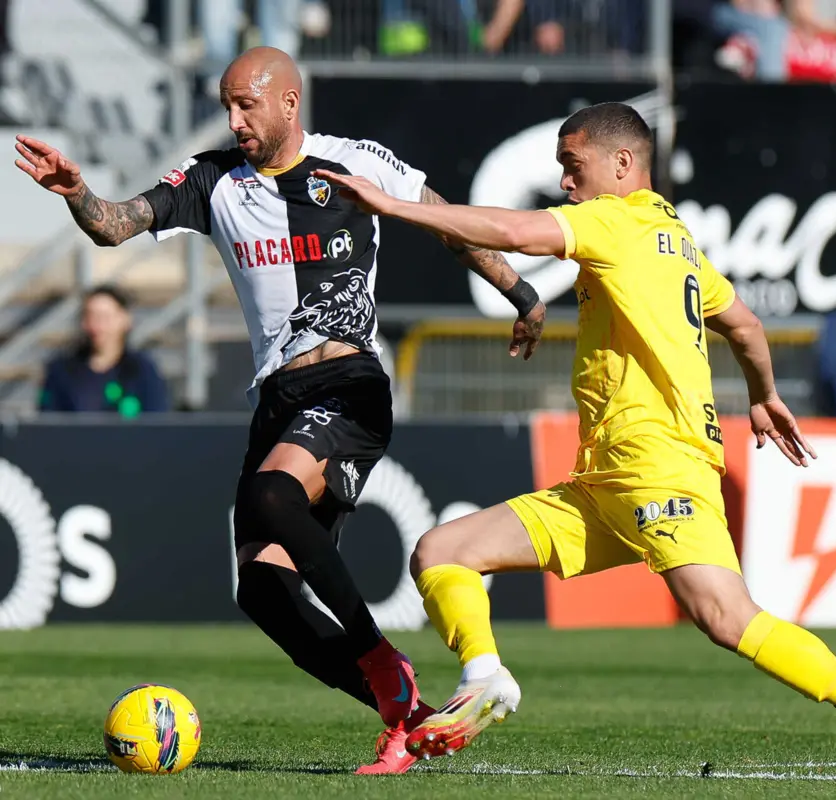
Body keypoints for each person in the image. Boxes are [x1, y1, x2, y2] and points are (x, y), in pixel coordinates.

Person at [314, 101, 836, 785]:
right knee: (444, 551)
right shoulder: (671, 236)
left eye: (572, 166)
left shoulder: (615, 220)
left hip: (660, 469)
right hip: (604, 482)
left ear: (622, 164)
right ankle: (485, 675)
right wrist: (763, 396)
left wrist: (391, 205)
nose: (564, 183)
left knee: (725, 616)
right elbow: (747, 326)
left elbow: (511, 230)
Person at [13, 46, 545, 775]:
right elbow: (114, 224)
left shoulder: (354, 162)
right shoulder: (213, 180)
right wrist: (76, 190)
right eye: (227, 106)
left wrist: (521, 294)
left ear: (289, 104)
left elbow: (449, 222)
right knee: (263, 590)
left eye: (246, 106)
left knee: (272, 493)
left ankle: (383, 660)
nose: (235, 121)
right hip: (278, 400)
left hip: (350, 385)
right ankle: (405, 719)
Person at [39, 285, 171, 415]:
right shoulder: (61, 371)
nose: (97, 326)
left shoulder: (142, 370)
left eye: (105, 318)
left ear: (125, 319)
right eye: (91, 317)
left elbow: (156, 422)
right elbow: (50, 422)